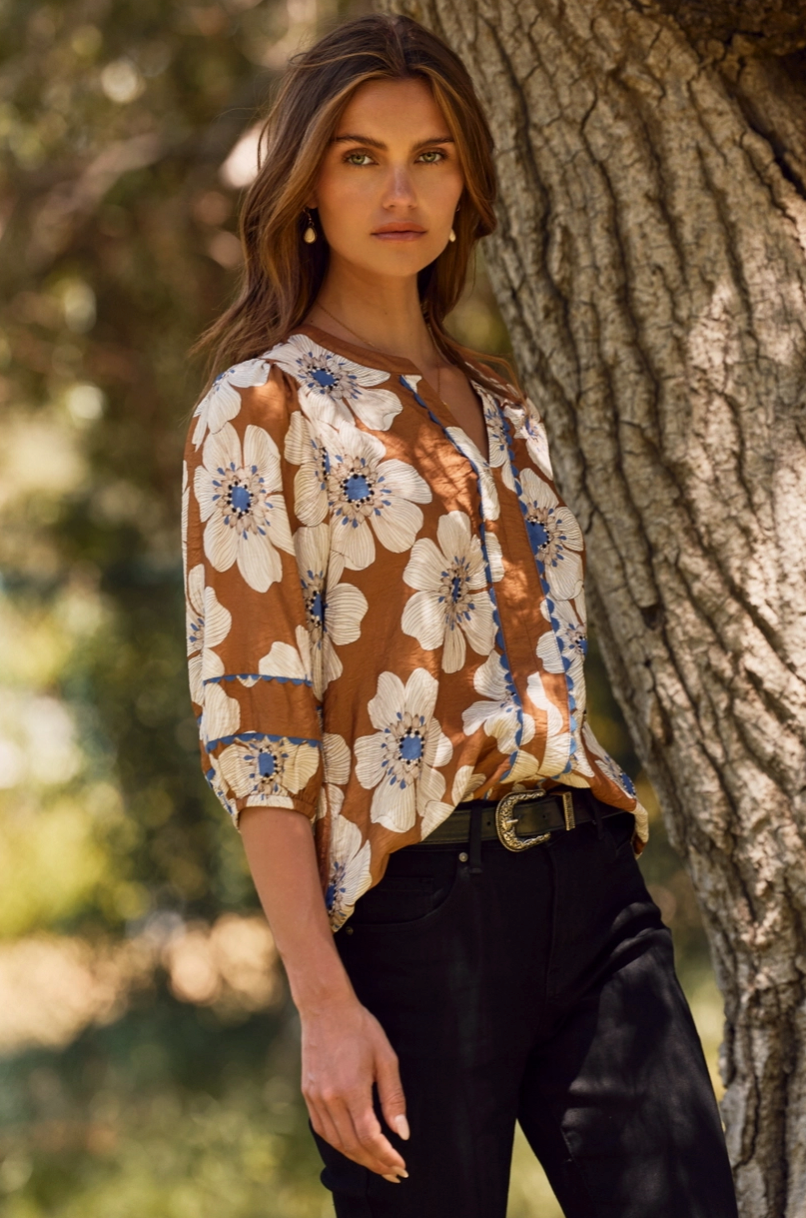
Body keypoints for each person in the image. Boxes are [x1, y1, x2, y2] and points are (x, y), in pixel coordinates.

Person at [182, 12, 739, 1217]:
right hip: (409, 920)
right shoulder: (258, 411)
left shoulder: (502, 402)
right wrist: (324, 1007)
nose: (401, 189)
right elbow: (258, 734)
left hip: (591, 894)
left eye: (430, 155)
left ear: (465, 182)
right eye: (361, 156)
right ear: (306, 188)